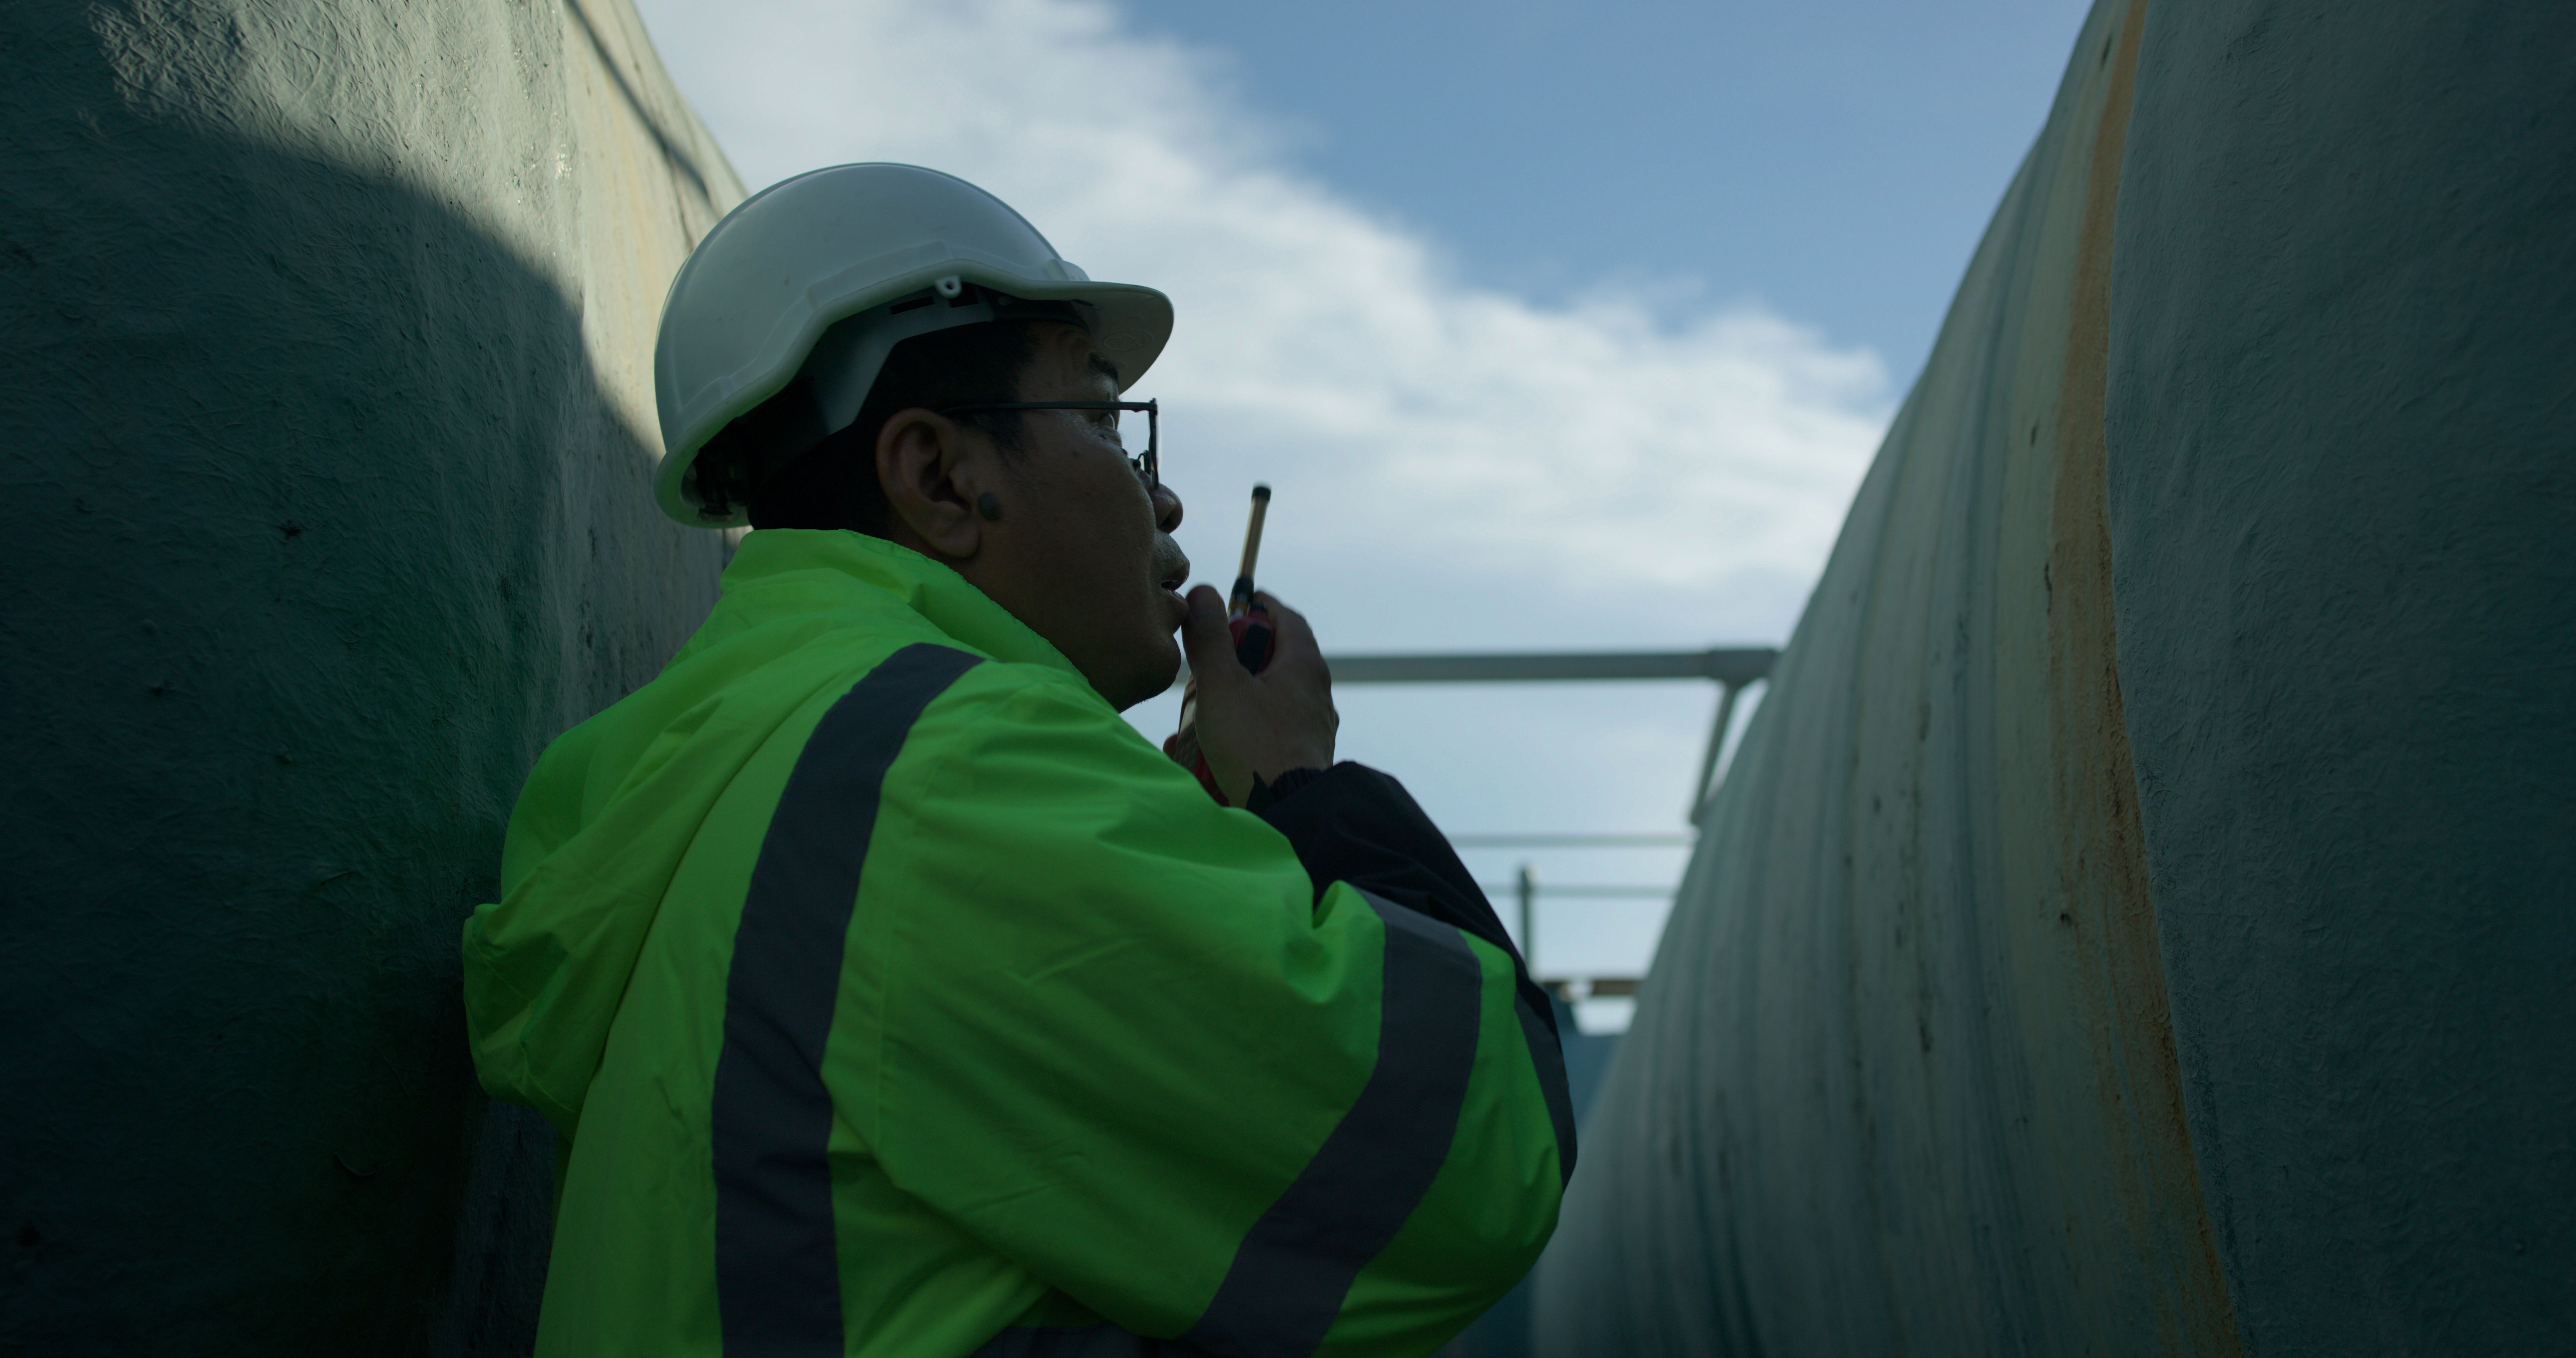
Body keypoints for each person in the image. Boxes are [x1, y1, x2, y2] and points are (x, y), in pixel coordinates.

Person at [463, 164, 1573, 1358]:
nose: (1168, 499)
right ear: (942, 478)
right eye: (1103, 419)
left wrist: (1195, 857)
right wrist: (1304, 783)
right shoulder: (945, 775)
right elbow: (1476, 1149)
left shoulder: (745, 769)